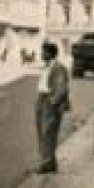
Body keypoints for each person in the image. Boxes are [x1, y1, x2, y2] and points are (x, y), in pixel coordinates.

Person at [35, 41, 70, 174]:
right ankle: (50, 162)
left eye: (43, 51)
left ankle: (46, 164)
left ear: (50, 53)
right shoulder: (47, 66)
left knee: (48, 133)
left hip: (49, 102)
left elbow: (62, 89)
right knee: (42, 133)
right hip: (41, 100)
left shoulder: (58, 67)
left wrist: (52, 102)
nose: (41, 54)